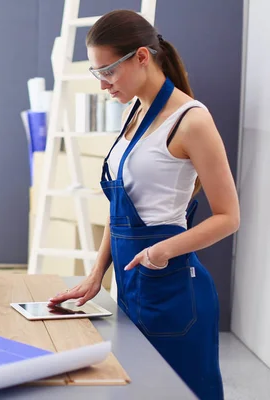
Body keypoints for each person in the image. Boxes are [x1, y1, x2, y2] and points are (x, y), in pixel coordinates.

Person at [47, 9, 240, 400]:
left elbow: (228, 217)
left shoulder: (191, 120)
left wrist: (160, 250)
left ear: (141, 56)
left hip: (173, 294)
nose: (103, 85)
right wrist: (96, 273)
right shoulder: (134, 111)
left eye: (108, 71)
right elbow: (121, 204)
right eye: (96, 73)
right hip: (133, 285)